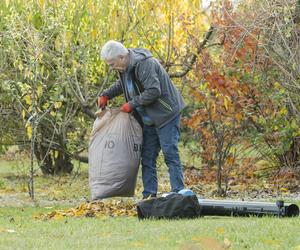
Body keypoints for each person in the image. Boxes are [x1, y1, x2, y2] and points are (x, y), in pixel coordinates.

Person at [98, 40, 186, 199]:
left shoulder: (144, 64)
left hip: (166, 114)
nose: (111, 68)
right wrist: (106, 95)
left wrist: (131, 104)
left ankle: (179, 193)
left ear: (121, 56)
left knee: (169, 153)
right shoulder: (125, 66)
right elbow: (122, 84)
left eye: (112, 64)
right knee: (147, 157)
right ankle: (149, 196)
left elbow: (154, 90)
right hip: (149, 119)